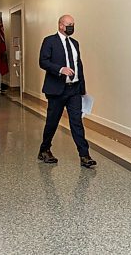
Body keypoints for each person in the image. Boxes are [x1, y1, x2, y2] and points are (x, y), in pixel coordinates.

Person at [37, 14, 97, 168]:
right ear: (60, 25)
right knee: (52, 121)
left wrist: (83, 88)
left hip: (74, 90)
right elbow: (43, 62)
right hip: (57, 90)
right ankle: (44, 149)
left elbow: (79, 66)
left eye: (73, 24)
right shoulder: (49, 41)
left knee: (76, 122)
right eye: (69, 24)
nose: (71, 27)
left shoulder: (75, 43)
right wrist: (60, 69)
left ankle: (84, 155)